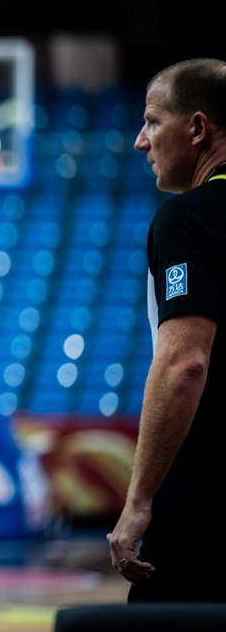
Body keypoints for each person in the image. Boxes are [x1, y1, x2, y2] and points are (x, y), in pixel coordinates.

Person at [107, 58, 226, 602]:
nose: (140, 141)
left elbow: (185, 363)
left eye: (153, 122)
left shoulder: (189, 217)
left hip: (205, 497)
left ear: (197, 128)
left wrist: (138, 502)